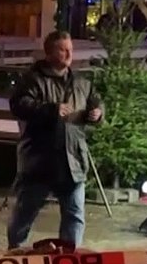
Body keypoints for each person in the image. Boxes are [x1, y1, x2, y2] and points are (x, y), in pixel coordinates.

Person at [7, 30, 103, 250]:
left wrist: (97, 113)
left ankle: (69, 259)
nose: (69, 53)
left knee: (74, 215)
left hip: (73, 160)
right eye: (63, 49)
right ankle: (14, 254)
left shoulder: (80, 81)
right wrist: (50, 110)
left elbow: (95, 101)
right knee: (25, 213)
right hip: (40, 160)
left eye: (70, 48)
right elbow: (18, 105)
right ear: (49, 53)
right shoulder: (33, 79)